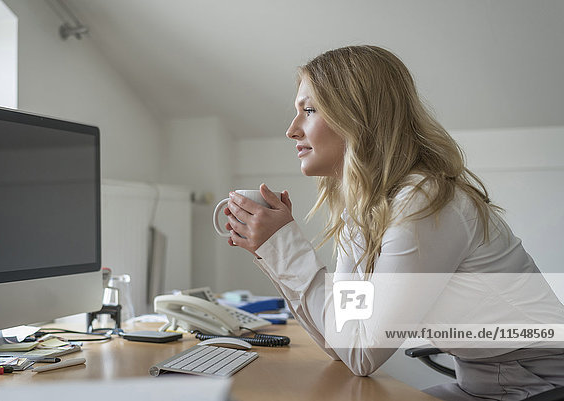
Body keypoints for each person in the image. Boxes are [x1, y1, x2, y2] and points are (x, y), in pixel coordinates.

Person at [223, 45, 564, 400]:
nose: (292, 130)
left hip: (540, 386)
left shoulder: (424, 201)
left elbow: (362, 354)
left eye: (308, 110)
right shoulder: (365, 212)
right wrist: (275, 249)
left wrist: (283, 246)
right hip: (487, 383)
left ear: (357, 117)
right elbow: (344, 339)